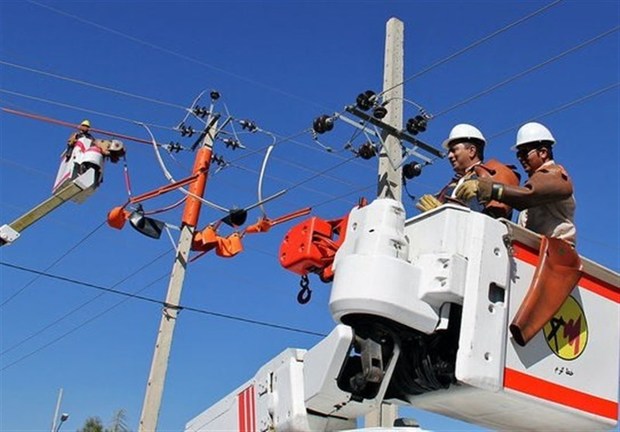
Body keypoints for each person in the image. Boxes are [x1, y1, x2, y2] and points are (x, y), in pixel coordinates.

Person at [454, 122, 581, 346]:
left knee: (526, 322)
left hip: (557, 258)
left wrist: (489, 189)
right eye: (519, 153)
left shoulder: (555, 175)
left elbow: (528, 196)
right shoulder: (536, 180)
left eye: (525, 152)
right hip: (537, 256)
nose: (522, 158)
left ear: (543, 152)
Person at [416, 123, 519, 219]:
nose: (449, 156)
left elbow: (494, 216)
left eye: (454, 150)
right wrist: (437, 214)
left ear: (471, 151)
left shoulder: (494, 173)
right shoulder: (450, 187)